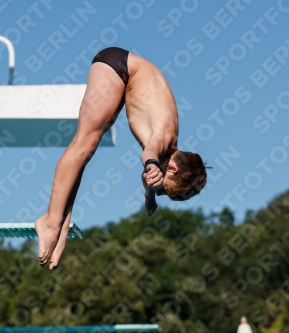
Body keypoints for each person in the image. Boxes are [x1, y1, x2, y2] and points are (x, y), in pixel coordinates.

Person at [35, 47, 208, 269]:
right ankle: (49, 221)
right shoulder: (165, 137)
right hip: (120, 66)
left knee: (85, 156)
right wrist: (152, 164)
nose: (159, 189)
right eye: (163, 188)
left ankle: (60, 224)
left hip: (124, 77)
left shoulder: (169, 152)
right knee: (84, 143)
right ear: (172, 168)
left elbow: (148, 175)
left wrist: (150, 197)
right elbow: (148, 154)